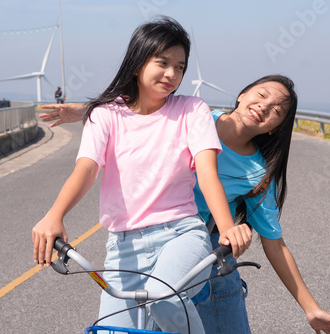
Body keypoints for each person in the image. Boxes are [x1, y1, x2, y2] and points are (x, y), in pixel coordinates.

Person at [39, 75, 330, 333]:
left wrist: (310, 307)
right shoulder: (195, 117)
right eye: (261, 95)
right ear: (242, 95)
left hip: (207, 257)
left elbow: (274, 243)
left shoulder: (258, 174)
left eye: (276, 111)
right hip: (149, 242)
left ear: (275, 128)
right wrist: (84, 111)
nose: (264, 107)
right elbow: (142, 112)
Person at [32, 17, 251, 334]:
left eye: (180, 67)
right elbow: (87, 168)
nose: (172, 74)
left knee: (164, 300)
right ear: (137, 63)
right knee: (112, 332)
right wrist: (54, 215)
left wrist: (227, 227)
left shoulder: (192, 110)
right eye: (162, 62)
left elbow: (207, 174)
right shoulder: (104, 115)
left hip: (180, 235)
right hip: (123, 248)